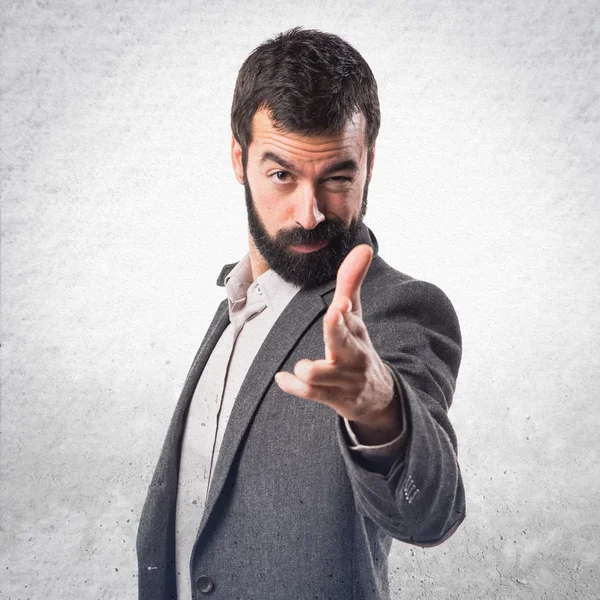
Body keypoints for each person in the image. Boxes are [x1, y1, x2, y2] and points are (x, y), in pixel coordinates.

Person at [136, 27, 465, 600]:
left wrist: (382, 410)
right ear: (240, 159)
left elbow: (432, 513)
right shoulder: (237, 301)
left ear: (369, 162)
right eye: (282, 174)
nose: (309, 214)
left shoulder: (397, 311)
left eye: (337, 177)